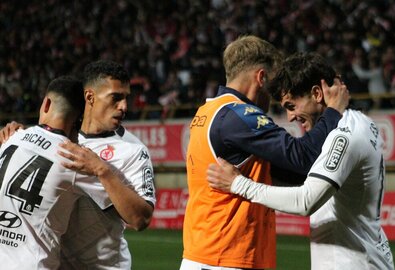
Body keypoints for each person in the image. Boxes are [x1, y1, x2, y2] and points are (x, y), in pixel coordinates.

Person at [206, 52, 395, 270]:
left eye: (291, 105)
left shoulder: (345, 134)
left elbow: (306, 201)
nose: (290, 117)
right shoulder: (359, 123)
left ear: (316, 93)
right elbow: (304, 177)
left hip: (355, 263)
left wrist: (237, 184)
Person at [181, 35, 349, 270]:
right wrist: (333, 111)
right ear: (261, 77)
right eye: (273, 84)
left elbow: (288, 172)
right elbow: (303, 157)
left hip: (212, 254)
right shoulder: (238, 115)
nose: (276, 95)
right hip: (225, 257)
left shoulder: (211, 111)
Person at [0, 60, 156, 269]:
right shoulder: (62, 140)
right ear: (90, 97)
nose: (124, 106)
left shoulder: (133, 150)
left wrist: (104, 172)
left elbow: (140, 219)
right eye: (116, 98)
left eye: (127, 98)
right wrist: (14, 135)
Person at [0, 76, 97, 269]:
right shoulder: (77, 160)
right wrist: (103, 170)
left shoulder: (12, 138)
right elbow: (136, 216)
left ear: (46, 103)